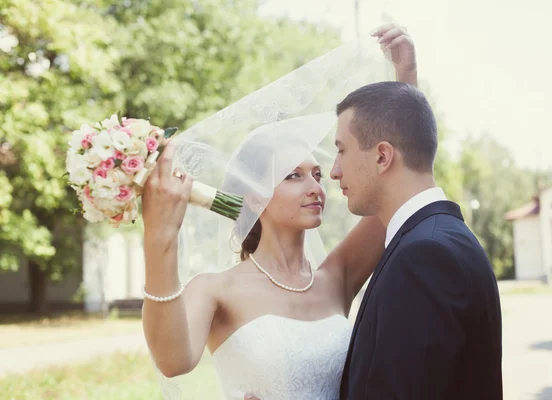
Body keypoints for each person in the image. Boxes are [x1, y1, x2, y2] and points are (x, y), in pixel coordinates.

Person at [141, 23, 418, 400]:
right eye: (293, 176)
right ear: (254, 198)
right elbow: (173, 361)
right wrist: (159, 236)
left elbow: (393, 190)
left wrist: (406, 79)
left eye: (317, 175)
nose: (316, 187)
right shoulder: (215, 289)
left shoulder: (335, 277)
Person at [331, 62, 504, 399]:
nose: (334, 170)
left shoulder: (423, 258)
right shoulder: (445, 238)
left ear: (382, 156)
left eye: (341, 150)